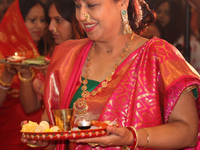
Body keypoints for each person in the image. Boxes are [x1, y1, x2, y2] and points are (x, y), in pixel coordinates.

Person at [22, 0, 200, 150]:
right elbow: (56, 135)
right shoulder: (65, 55)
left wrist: (133, 137)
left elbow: (188, 131)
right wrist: (42, 139)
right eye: (78, 6)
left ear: (122, 2)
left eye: (91, 5)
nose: (81, 16)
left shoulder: (157, 56)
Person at [18, 0, 86, 115]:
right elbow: (30, 107)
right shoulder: (52, 56)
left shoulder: (89, 55)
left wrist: (57, 75)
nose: (50, 27)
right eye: (50, 20)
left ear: (76, 21)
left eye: (58, 20)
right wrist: (26, 75)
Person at [0, 0, 47, 149]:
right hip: (11, 138)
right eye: (33, 20)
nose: (40, 26)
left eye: (43, 20)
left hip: (40, 137)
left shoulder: (45, 52)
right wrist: (7, 76)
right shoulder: (3, 54)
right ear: (16, 22)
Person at [155, 0, 200, 73]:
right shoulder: (160, 37)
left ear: (176, 16)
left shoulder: (187, 42)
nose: (161, 16)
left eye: (167, 13)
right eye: (159, 11)